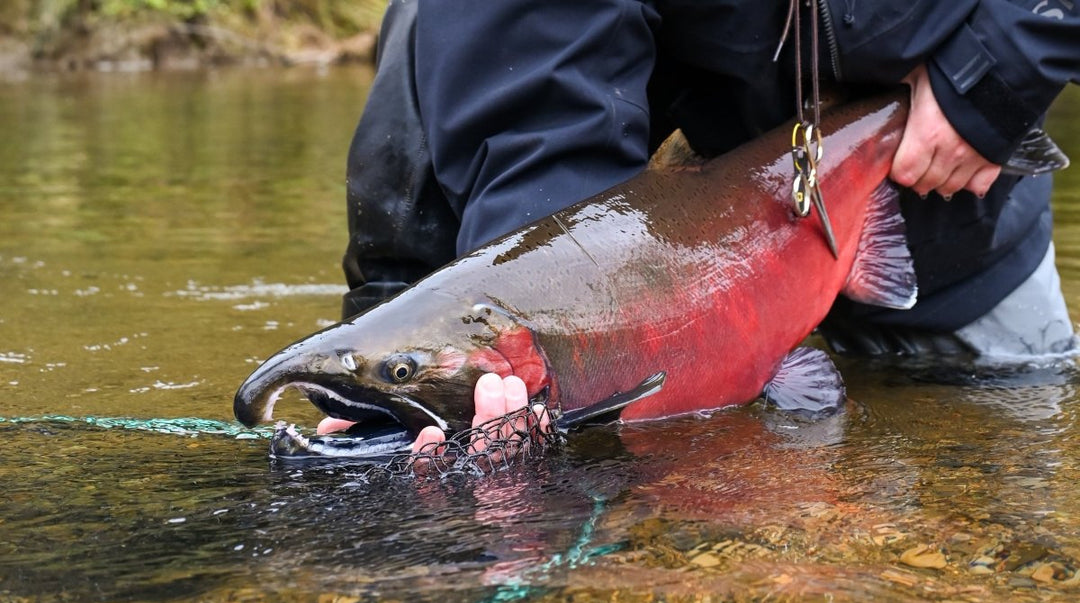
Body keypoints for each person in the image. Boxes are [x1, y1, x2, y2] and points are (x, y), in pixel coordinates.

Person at [330, 0, 1080, 449]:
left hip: (942, 153)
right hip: (586, 100)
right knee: (486, 452)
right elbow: (536, 97)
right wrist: (568, 348)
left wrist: (998, 71)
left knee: (1020, 414)